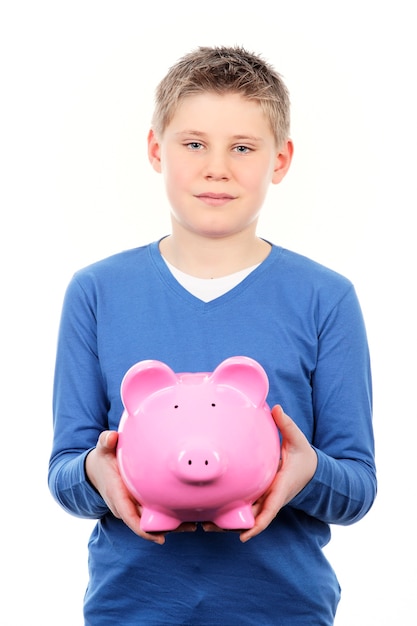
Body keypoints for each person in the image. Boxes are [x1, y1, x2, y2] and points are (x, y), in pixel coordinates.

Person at [48, 45, 377, 625]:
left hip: (284, 611)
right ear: (157, 149)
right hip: (130, 611)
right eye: (194, 143)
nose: (216, 168)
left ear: (280, 160)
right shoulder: (96, 292)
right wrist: (101, 474)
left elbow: (357, 488)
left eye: (243, 148)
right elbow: (66, 470)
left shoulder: (326, 298)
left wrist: (300, 472)